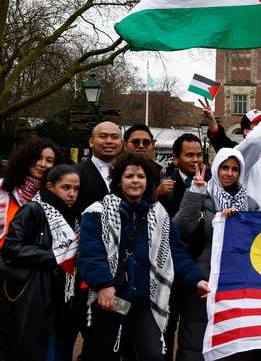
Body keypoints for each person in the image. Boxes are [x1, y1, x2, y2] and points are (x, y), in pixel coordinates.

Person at [79, 152, 209, 361]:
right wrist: (103, 284)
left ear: (148, 181)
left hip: (145, 302)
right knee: (104, 353)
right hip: (111, 299)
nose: (135, 181)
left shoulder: (158, 214)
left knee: (152, 355)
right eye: (129, 176)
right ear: (119, 181)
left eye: (140, 176)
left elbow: (176, 251)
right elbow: (90, 253)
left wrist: (196, 279)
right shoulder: (98, 212)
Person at [174, 149, 261, 361]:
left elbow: (257, 243)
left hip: (236, 282)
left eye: (235, 169)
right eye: (225, 167)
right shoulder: (203, 196)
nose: (229, 173)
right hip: (204, 279)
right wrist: (195, 193)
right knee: (195, 339)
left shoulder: (250, 204)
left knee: (230, 341)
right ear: (216, 169)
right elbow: (181, 228)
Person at [0, 165, 80, 361]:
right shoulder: (33, 210)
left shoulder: (74, 216)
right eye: (66, 187)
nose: (72, 194)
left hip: (62, 294)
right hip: (35, 292)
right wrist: (50, 257)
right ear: (50, 186)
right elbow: (10, 247)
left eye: (76, 189)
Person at [0, 138, 64, 246]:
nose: (42, 164)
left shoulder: (57, 195)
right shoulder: (3, 188)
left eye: (49, 160)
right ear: (26, 159)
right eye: (38, 158)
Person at [75, 121, 123, 213]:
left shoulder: (128, 173)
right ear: (91, 142)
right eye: (103, 136)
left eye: (114, 137)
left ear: (121, 143)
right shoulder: (76, 172)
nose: (109, 141)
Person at [159, 133, 205, 217]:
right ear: (176, 159)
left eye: (199, 155)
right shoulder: (167, 188)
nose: (195, 160)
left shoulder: (212, 184)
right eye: (190, 155)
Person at [123, 124, 164, 196]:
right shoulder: (116, 171)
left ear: (153, 145)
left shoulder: (161, 174)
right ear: (125, 145)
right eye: (136, 142)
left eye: (146, 142)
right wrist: (156, 194)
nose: (141, 146)